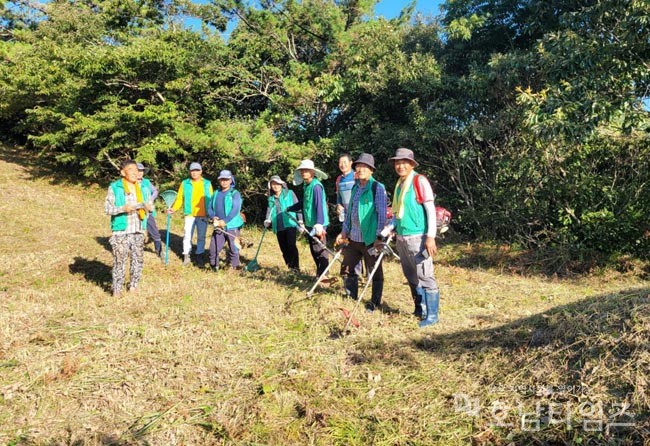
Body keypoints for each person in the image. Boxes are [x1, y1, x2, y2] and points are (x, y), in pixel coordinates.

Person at [381, 148, 440, 327]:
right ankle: (419, 308)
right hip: (402, 237)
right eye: (397, 163)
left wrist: (431, 236)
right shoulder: (399, 184)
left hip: (418, 237)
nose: (400, 166)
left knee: (425, 275)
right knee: (410, 275)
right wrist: (390, 228)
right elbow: (398, 213)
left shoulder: (419, 181)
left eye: (404, 162)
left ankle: (432, 315)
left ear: (411, 164)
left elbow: (430, 210)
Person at [335, 153, 388, 312]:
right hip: (353, 237)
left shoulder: (377, 187)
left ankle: (375, 302)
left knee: (374, 271)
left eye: (365, 167)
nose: (361, 169)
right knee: (348, 267)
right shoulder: (355, 186)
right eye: (359, 166)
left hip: (370, 239)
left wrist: (379, 237)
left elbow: (381, 214)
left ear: (371, 170)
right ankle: (351, 297)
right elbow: (350, 211)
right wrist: (345, 231)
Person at [104, 159, 154, 296]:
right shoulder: (115, 187)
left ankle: (133, 286)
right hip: (121, 230)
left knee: (137, 260)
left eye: (136, 170)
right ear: (122, 172)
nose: (134, 172)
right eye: (130, 169)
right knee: (119, 260)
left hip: (138, 229)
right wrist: (123, 208)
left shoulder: (143, 188)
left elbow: (150, 206)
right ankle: (117, 289)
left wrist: (148, 208)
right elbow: (108, 208)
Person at [288, 159, 331, 280]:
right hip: (309, 223)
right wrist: (291, 208)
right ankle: (320, 273)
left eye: (306, 170)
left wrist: (319, 224)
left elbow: (319, 205)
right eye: (302, 170)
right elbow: (304, 202)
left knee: (320, 249)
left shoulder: (316, 186)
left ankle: (324, 275)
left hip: (318, 223)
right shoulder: (307, 186)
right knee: (313, 249)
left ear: (312, 172)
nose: (303, 173)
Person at [168, 162, 213, 266]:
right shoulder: (185, 183)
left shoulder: (207, 183)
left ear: (201, 171)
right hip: (190, 214)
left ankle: (199, 255)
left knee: (201, 236)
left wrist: (211, 213)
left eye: (197, 170)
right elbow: (180, 199)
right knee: (187, 235)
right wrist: (173, 209)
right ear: (190, 172)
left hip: (203, 215)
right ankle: (186, 255)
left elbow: (211, 200)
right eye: (192, 170)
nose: (195, 172)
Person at [208, 170, 244, 270]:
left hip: (232, 225)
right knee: (213, 248)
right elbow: (210, 207)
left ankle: (234, 267)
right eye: (222, 179)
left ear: (230, 180)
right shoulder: (216, 193)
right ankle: (214, 266)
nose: (224, 181)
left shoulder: (234, 193)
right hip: (218, 225)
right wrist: (212, 216)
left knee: (234, 248)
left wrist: (225, 220)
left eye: (226, 179)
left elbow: (235, 209)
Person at [264, 175, 301, 271]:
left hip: (290, 223)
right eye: (273, 184)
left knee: (291, 245)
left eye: (277, 184)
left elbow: (298, 207)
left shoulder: (290, 193)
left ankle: (296, 267)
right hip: (279, 226)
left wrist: (300, 221)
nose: (275, 186)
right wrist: (267, 220)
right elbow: (269, 211)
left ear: (281, 184)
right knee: (284, 248)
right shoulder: (271, 198)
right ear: (270, 186)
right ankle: (290, 267)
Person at [136, 162, 162, 258]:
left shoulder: (146, 182)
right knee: (136, 232)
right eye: (138, 171)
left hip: (148, 210)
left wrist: (150, 199)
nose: (140, 173)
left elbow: (155, 191)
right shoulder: (131, 183)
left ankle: (159, 251)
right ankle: (136, 251)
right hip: (136, 211)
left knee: (154, 230)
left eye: (141, 171)